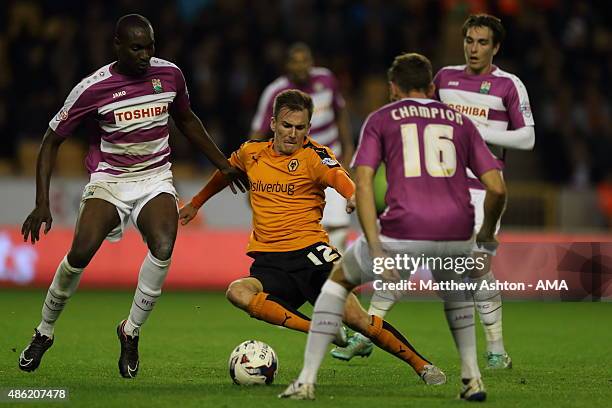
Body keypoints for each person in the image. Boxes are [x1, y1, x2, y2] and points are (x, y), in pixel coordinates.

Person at [18, 14, 248, 379]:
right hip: (110, 180)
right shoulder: (92, 88)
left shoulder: (170, 75)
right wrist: (42, 201)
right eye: (137, 48)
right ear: (118, 46)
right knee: (80, 253)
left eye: (150, 47)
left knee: (163, 243)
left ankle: (131, 330)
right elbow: (51, 140)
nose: (145, 55)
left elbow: (187, 121)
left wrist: (223, 164)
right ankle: (43, 332)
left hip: (155, 177)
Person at [180, 89, 445, 386]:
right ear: (273, 123)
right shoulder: (251, 152)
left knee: (356, 319)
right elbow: (224, 173)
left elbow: (341, 178)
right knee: (238, 292)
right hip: (270, 262)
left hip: (312, 255)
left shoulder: (315, 156)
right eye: (287, 125)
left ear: (308, 128)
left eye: (300, 127)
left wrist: (353, 195)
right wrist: (195, 203)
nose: (293, 134)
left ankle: (422, 365)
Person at [279, 53, 506, 401]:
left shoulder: (382, 119)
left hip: (405, 228)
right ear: (432, 87)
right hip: (457, 230)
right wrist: (487, 233)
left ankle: (306, 381)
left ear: (392, 88)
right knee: (457, 295)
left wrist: (375, 244)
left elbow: (364, 182)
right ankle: (472, 378)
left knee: (336, 284)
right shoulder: (460, 122)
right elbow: (497, 186)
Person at [334, 14, 533, 370]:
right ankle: (366, 336)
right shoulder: (445, 78)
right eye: (469, 41)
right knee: (401, 261)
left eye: (482, 42)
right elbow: (412, 123)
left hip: (482, 190)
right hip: (441, 186)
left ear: (496, 47)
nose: (474, 48)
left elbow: (527, 137)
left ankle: (496, 348)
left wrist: (478, 132)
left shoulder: (508, 85)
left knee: (474, 269)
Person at [250, 43, 353, 252]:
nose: (301, 66)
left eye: (305, 61)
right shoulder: (275, 92)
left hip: (329, 162)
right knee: (305, 232)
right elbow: (257, 134)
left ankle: (334, 283)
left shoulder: (326, 79)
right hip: (295, 169)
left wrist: (349, 152)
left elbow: (341, 114)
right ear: (287, 65)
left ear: (312, 62)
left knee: (339, 231)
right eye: (296, 62)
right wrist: (253, 171)